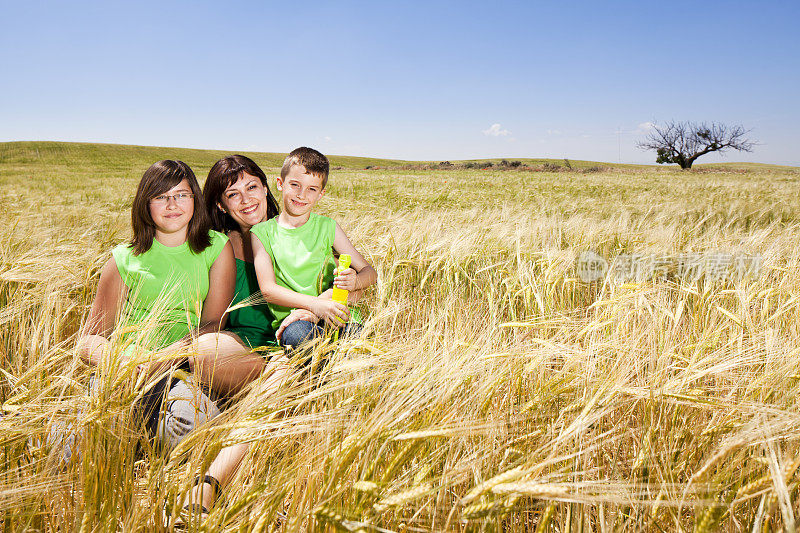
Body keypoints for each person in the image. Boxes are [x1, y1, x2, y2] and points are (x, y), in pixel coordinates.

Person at [179, 148, 377, 519]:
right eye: (232, 194)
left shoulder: (307, 230)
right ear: (220, 205)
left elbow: (356, 281)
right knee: (205, 349)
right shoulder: (219, 246)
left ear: (268, 186)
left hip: (300, 341)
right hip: (249, 348)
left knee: (280, 375)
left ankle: (207, 487)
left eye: (251, 187)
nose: (246, 200)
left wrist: (316, 304)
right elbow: (209, 317)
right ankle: (288, 398)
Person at [76, 160, 236, 449]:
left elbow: (214, 323)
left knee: (194, 433)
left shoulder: (215, 247)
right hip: (127, 368)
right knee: (86, 440)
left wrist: (167, 358)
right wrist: (120, 363)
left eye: (181, 195)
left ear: (195, 199)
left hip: (182, 368)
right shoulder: (124, 258)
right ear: (145, 204)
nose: (172, 204)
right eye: (161, 197)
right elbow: (89, 338)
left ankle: (139, 433)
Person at [251, 146, 377, 348]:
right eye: (295, 185)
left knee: (360, 345)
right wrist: (315, 306)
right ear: (280, 183)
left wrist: (354, 283)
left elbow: (370, 273)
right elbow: (268, 290)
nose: (302, 195)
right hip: (296, 321)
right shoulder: (262, 232)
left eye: (312, 189)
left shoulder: (328, 227)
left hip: (339, 314)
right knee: (299, 338)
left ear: (321, 194)